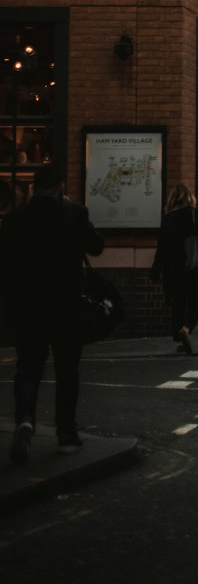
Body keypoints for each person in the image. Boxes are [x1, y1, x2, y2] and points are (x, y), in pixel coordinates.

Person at [0, 164, 104, 462]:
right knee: (67, 372)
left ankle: (24, 419)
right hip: (66, 307)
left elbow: (5, 267)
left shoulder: (15, 219)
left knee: (28, 369)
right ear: (60, 186)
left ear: (33, 186)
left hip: (27, 309)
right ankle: (67, 435)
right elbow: (96, 246)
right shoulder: (73, 213)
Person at [150, 183, 198, 354]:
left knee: (178, 302)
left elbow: (161, 247)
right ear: (188, 197)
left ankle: (178, 342)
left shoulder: (168, 218)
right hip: (194, 265)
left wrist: (156, 269)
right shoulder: (195, 214)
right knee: (196, 300)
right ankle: (185, 329)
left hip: (173, 267)